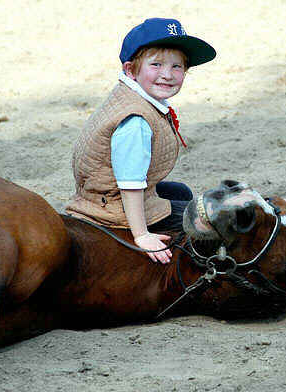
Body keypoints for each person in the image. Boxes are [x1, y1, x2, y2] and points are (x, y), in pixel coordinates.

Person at [66, 18, 216, 264]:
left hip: (103, 192)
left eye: (177, 67)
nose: (166, 75)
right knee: (202, 224)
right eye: (156, 64)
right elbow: (130, 183)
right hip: (111, 206)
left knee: (181, 192)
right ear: (130, 69)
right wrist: (142, 234)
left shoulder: (132, 95)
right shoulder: (136, 121)